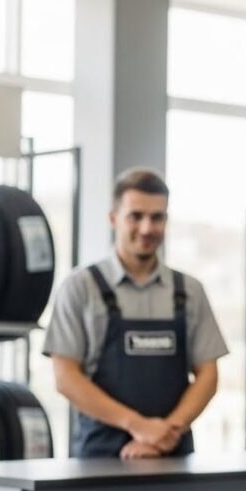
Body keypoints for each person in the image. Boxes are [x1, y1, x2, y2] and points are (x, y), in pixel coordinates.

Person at [44, 167, 229, 459]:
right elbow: (66, 376)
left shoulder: (190, 291)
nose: (146, 228)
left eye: (157, 217)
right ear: (113, 218)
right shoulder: (80, 288)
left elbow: (208, 374)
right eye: (136, 216)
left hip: (174, 457)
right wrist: (138, 426)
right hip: (99, 461)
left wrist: (167, 431)